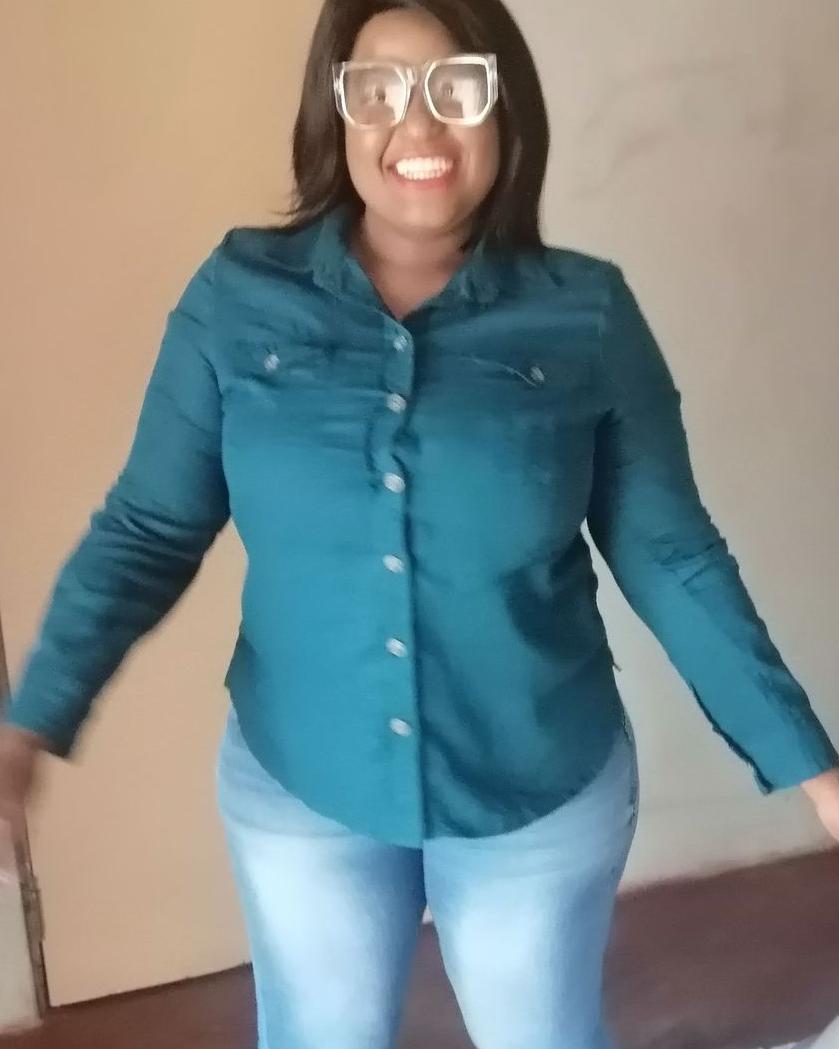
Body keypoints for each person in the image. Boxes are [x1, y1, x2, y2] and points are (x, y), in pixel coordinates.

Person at [1, 1, 838, 1047]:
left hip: (534, 782)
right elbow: (148, 526)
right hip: (303, 781)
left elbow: (670, 556)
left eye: (456, 86)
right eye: (378, 89)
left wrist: (813, 769)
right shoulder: (237, 298)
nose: (418, 123)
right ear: (336, 113)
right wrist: (31, 718)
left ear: (504, 108)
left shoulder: (586, 314)